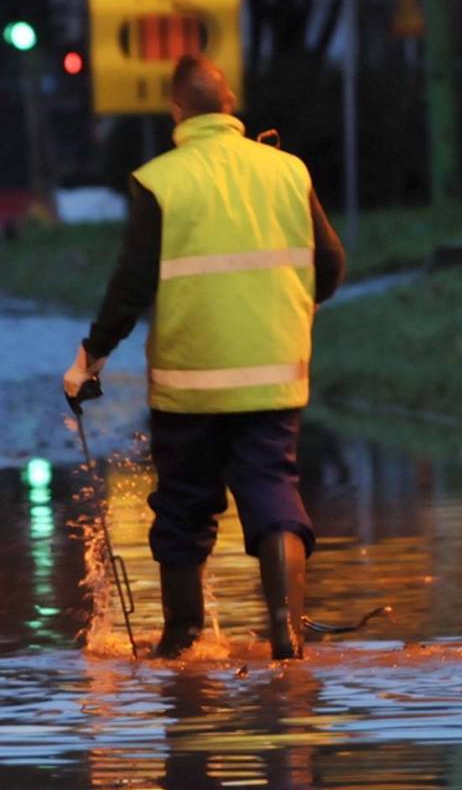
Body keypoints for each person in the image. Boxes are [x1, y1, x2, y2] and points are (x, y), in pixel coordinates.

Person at [62, 55, 345, 660]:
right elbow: (332, 265)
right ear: (231, 103)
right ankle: (288, 638)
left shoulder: (161, 180)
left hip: (191, 384)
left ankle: (183, 643)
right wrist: (298, 303)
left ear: (175, 111)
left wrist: (91, 357)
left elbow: (131, 287)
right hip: (274, 375)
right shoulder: (287, 171)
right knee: (273, 493)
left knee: (185, 507)